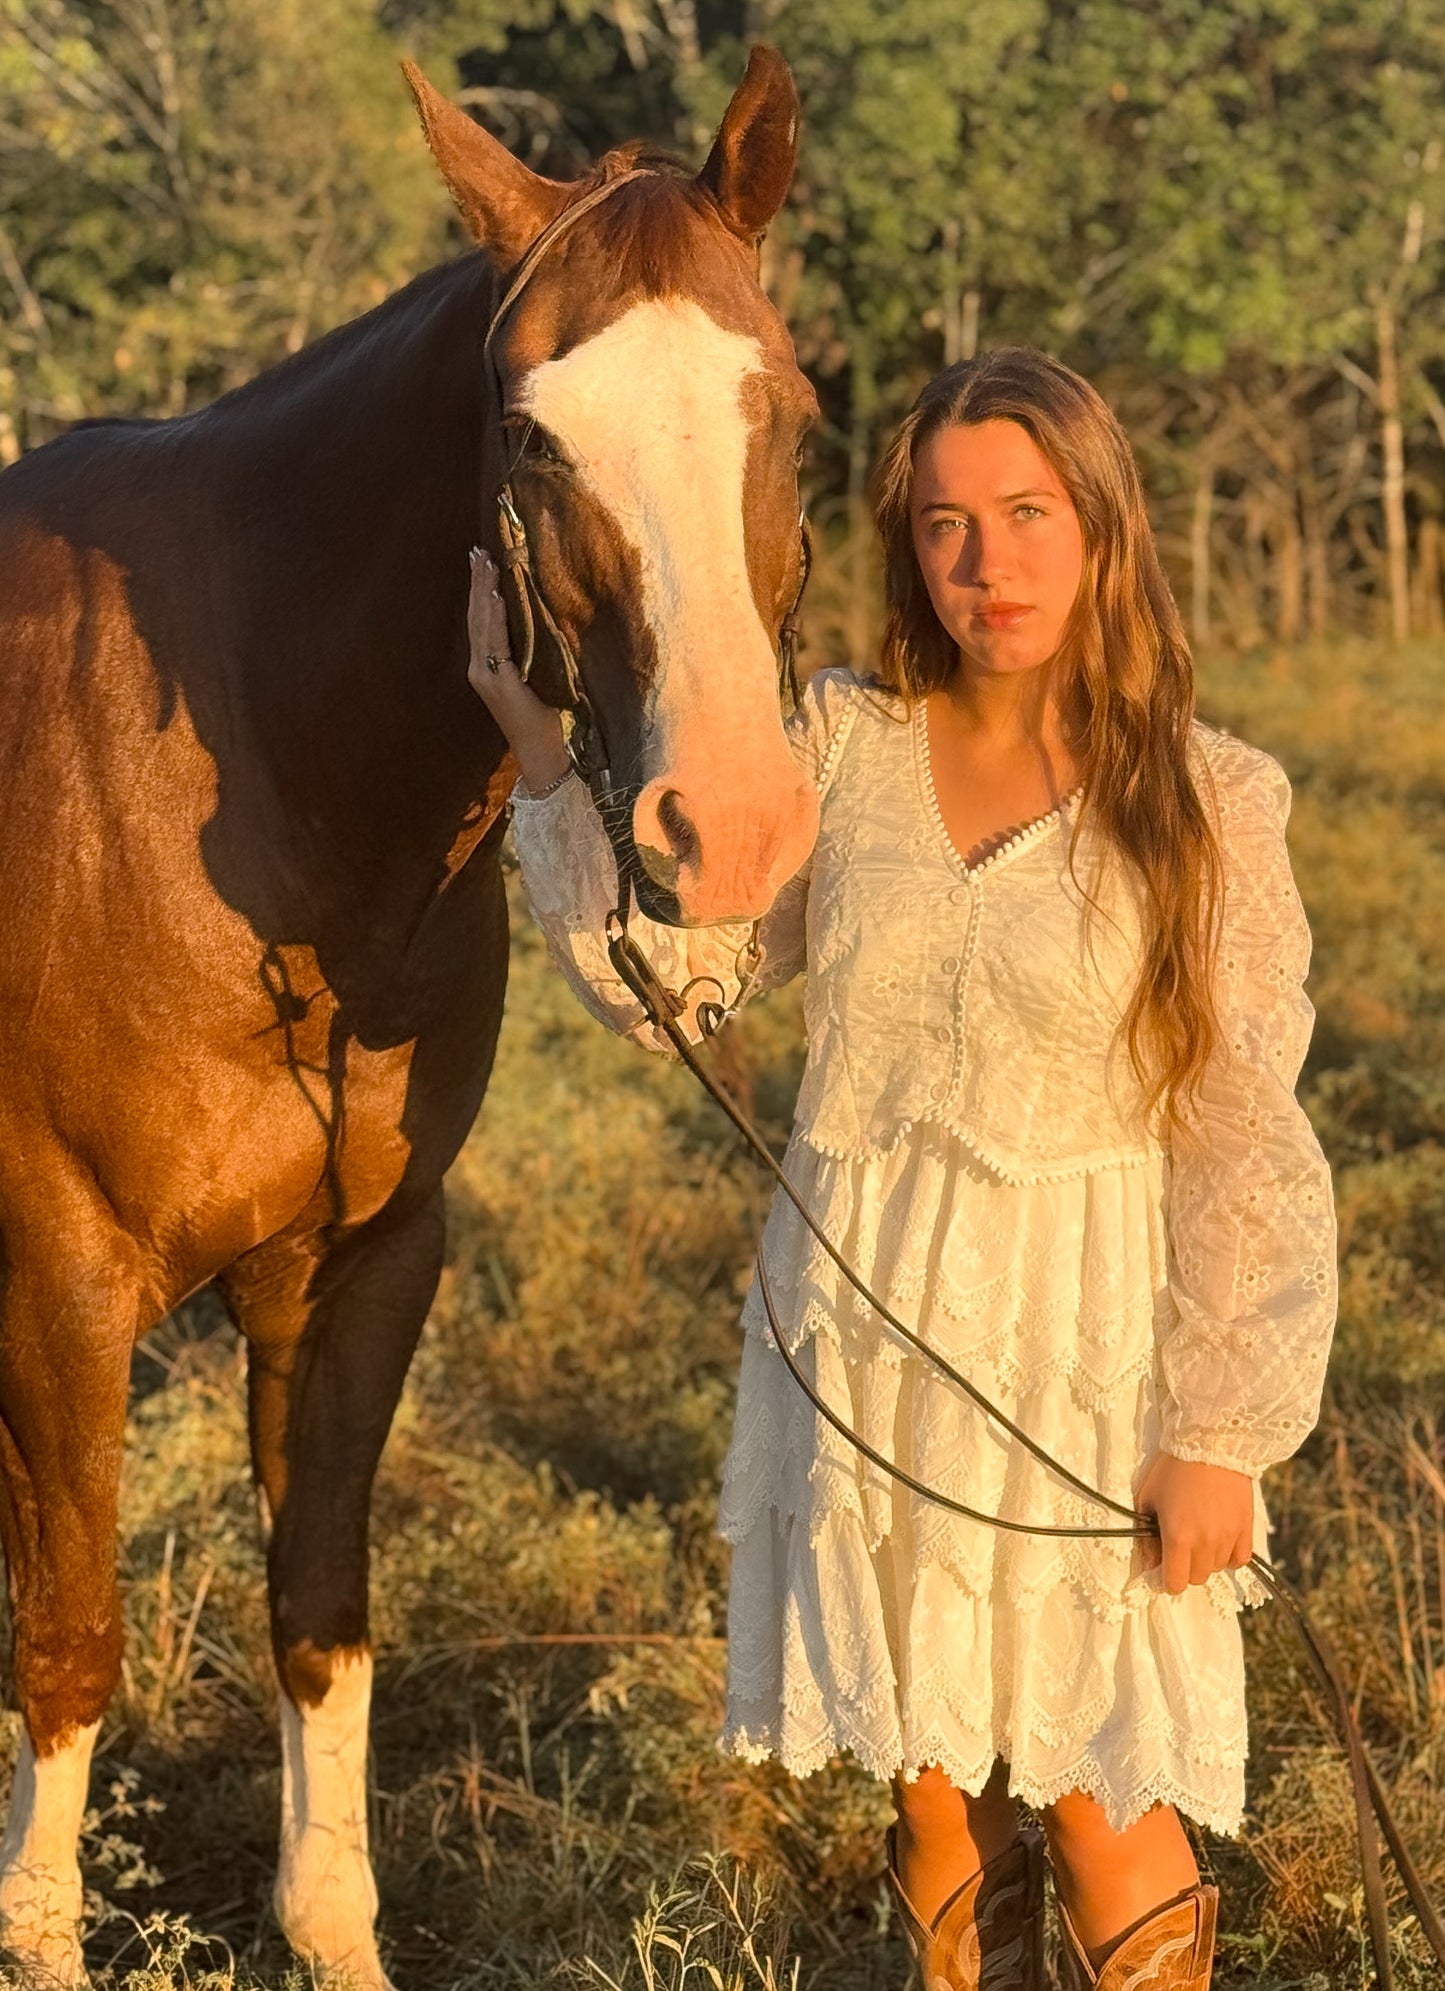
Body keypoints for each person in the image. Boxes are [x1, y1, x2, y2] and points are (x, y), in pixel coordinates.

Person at [467, 346, 1337, 1991]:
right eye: (945, 525)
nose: (985, 564)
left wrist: (1222, 1431)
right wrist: (536, 757)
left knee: (1096, 1790)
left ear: (1098, 528)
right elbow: (681, 989)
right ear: (902, 545)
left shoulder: (1209, 800)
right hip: (859, 1336)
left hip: (1090, 1351)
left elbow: (1249, 1141)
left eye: (1023, 514)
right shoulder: (843, 753)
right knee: (931, 1795)